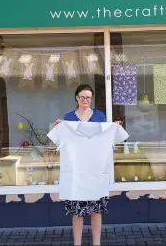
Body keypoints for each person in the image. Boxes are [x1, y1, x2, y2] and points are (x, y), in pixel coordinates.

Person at [54, 84, 121, 246]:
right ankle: (78, 243)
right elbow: (61, 140)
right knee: (77, 213)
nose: (85, 100)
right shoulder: (69, 117)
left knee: (96, 211)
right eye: (82, 97)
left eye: (88, 97)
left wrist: (114, 128)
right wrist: (59, 127)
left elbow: (107, 138)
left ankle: (96, 243)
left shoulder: (99, 116)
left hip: (96, 172)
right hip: (76, 173)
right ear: (76, 97)